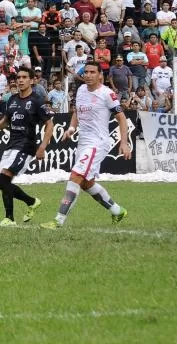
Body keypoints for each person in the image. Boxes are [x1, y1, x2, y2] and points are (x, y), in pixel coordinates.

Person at [41, 61, 131, 229]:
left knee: (75, 175)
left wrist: (124, 142)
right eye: (86, 72)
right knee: (85, 182)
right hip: (83, 142)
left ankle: (58, 220)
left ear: (100, 75)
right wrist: (71, 128)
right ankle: (117, 210)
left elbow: (122, 118)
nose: (88, 75)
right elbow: (76, 111)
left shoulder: (107, 94)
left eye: (92, 72)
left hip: (98, 143)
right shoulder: (81, 90)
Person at [0, 68, 54, 226]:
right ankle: (26, 206)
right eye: (18, 77)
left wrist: (42, 147)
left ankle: (13, 215)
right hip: (11, 145)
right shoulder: (12, 99)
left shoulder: (37, 101)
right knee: (3, 182)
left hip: (26, 146)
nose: (21, 80)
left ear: (32, 80)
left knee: (3, 179)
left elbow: (49, 124)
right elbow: (7, 119)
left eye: (24, 77)